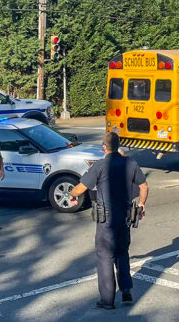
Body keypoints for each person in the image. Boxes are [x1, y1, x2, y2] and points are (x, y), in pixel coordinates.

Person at [69, 132, 147, 309]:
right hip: (125, 217)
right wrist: (141, 205)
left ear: (104, 147)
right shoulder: (131, 164)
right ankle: (126, 291)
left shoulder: (100, 166)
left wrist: (72, 195)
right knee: (122, 253)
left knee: (105, 257)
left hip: (106, 221)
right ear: (119, 146)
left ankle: (107, 300)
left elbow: (81, 188)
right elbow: (144, 186)